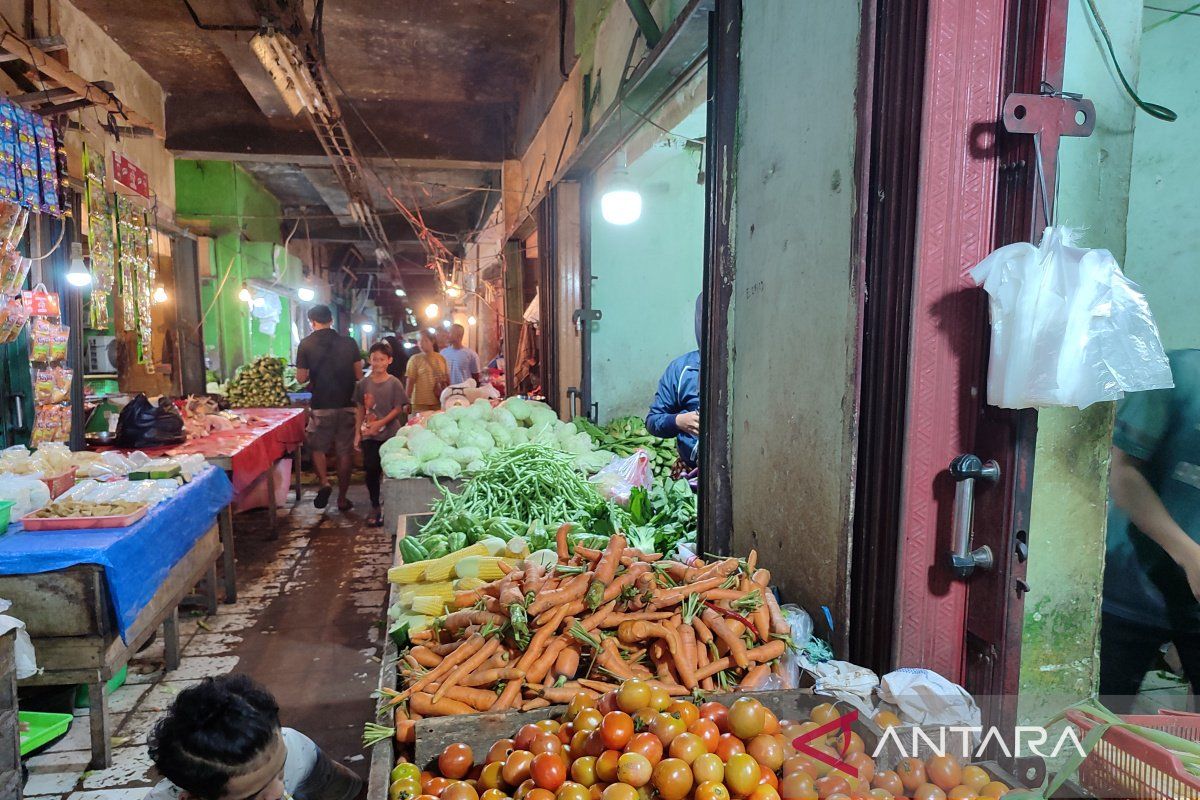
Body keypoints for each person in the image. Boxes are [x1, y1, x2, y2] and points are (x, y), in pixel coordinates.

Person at [1101, 349, 1200, 712]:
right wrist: (1190, 556)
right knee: (1098, 726)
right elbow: (1123, 473)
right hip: (1131, 587)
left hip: (1195, 606)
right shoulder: (1178, 374)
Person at [147, 674, 361, 800]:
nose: (279, 792)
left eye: (280, 772)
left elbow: (352, 793)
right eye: (254, 797)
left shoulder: (297, 751)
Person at [295, 305, 362, 512]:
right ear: (331, 320)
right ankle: (342, 499)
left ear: (312, 322)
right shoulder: (349, 342)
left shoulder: (306, 344)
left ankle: (324, 482)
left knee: (317, 448)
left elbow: (301, 378)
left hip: (321, 406)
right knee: (344, 453)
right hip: (347, 405)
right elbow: (359, 375)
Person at [354, 341, 409, 527]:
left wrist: (381, 422)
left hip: (390, 436)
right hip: (369, 434)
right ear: (369, 360)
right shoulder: (363, 384)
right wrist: (357, 434)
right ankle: (375, 505)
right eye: (374, 359)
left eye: (381, 359)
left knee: (390, 471)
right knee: (371, 470)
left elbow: (398, 408)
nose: (377, 363)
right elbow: (360, 409)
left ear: (389, 361)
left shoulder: (394, 383)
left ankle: (391, 505)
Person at [646, 295, 702, 469]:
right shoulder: (682, 369)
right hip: (692, 473)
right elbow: (652, 421)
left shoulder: (746, 368)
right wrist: (678, 421)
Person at [406, 329, 450, 413]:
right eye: (419, 341)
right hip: (419, 405)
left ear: (432, 341)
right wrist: (406, 401)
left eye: (425, 340)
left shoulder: (441, 358)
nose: (421, 344)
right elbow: (410, 382)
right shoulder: (414, 359)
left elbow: (447, 379)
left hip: (437, 402)